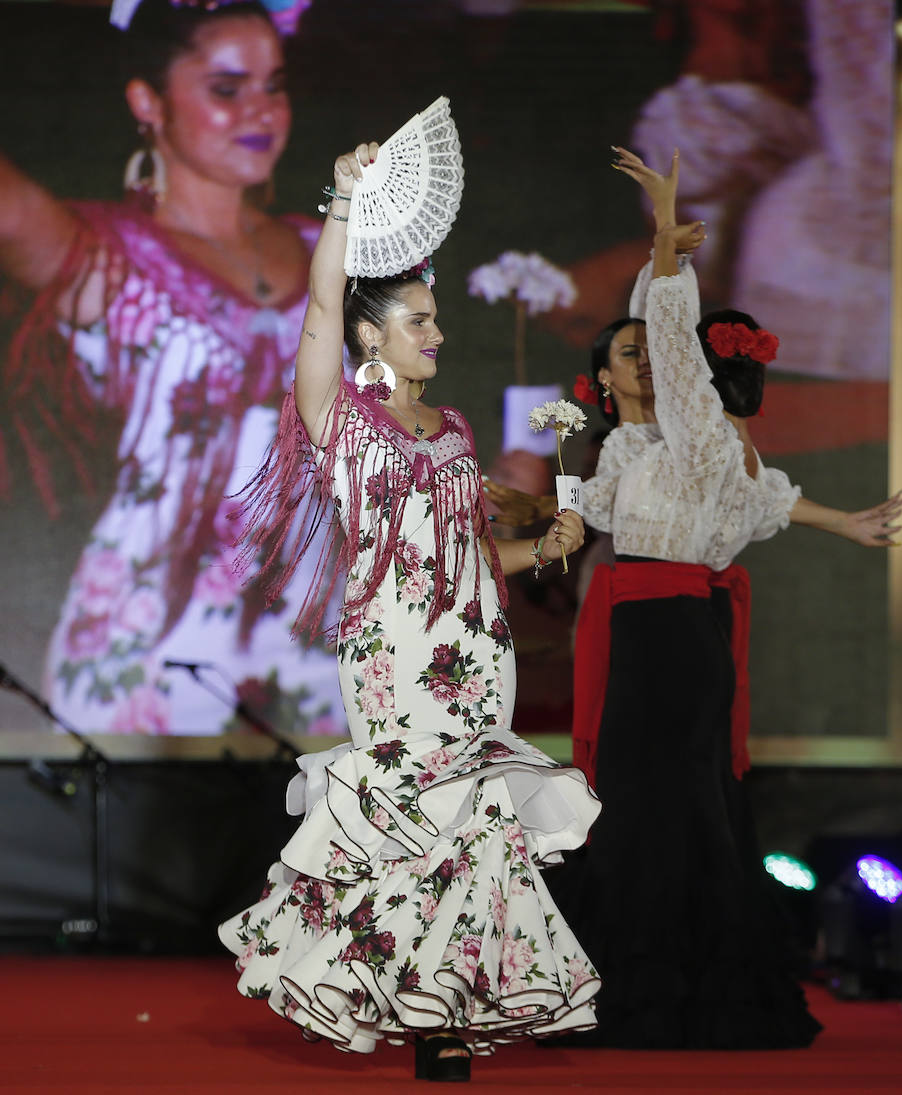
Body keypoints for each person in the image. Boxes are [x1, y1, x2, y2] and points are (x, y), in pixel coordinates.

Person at [0, 0, 342, 734]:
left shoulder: (337, 250)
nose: (261, 110)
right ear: (147, 103)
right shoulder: (113, 257)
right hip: (148, 653)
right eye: (227, 89)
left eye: (274, 85)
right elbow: (9, 207)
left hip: (327, 651)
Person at [218, 140, 603, 1080]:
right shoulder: (341, 420)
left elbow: (466, 550)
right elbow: (319, 301)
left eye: (434, 320)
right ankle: (387, 993)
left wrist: (540, 548)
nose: (436, 335)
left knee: (474, 826)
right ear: (370, 337)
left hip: (477, 645)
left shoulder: (458, 430)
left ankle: (444, 1014)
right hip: (394, 649)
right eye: (419, 321)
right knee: (410, 818)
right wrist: (344, 202)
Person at [548, 145, 902, 1049]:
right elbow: (757, 499)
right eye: (631, 354)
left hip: (672, 635)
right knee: (654, 806)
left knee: (666, 808)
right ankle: (657, 984)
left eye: (660, 358)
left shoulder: (701, 436)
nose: (652, 364)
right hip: (654, 631)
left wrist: (666, 249)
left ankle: (675, 989)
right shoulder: (662, 454)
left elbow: (673, 341)